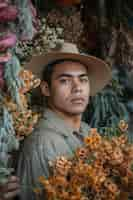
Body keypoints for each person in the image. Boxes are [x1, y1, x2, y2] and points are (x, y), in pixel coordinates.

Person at [16, 42, 111, 200]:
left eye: (83, 80)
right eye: (65, 81)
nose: (77, 88)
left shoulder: (87, 132)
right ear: (46, 89)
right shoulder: (42, 143)